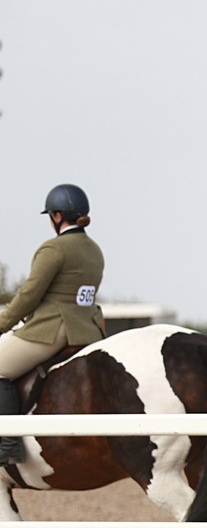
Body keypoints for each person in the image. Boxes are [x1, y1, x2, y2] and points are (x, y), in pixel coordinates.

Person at [0, 184, 106, 463]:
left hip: (54, 329)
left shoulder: (54, 248)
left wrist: (3, 323)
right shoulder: (94, 250)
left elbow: (29, 294)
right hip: (89, 328)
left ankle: (8, 442)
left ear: (57, 216)